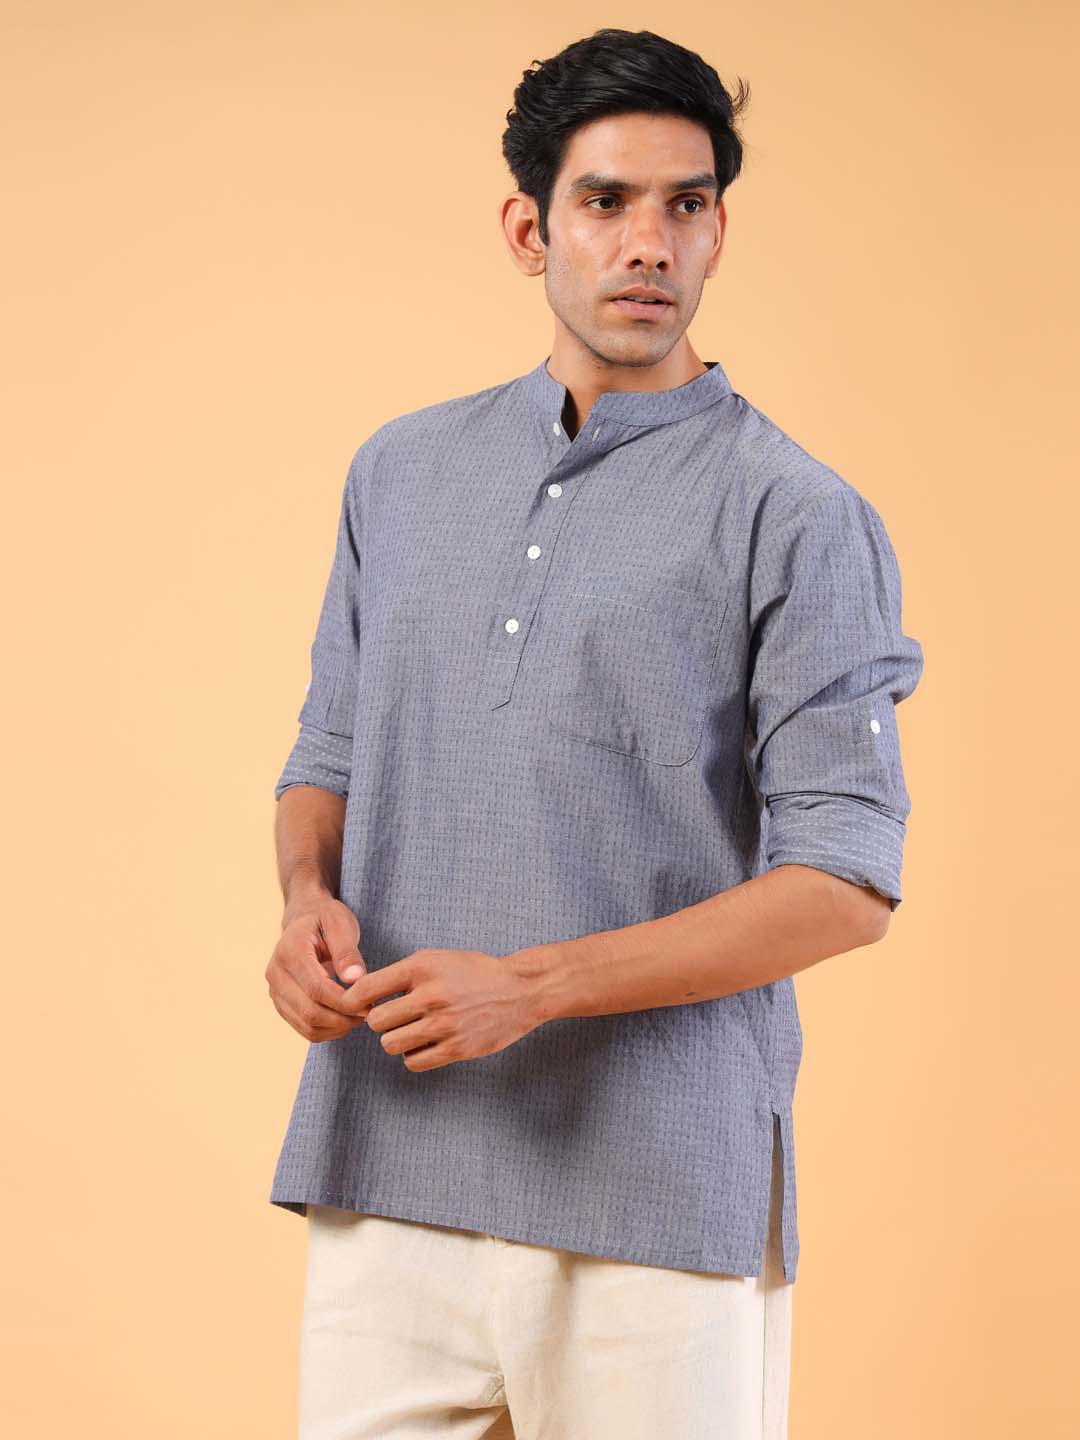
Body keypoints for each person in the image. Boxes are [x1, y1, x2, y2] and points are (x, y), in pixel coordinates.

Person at [265, 26, 924, 1440]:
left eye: (687, 204)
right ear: (531, 228)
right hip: (387, 1166)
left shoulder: (797, 514)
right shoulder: (402, 471)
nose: (649, 244)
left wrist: (532, 987)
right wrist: (307, 902)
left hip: (656, 1196)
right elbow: (330, 751)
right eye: (607, 201)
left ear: (719, 231)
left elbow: (846, 883)